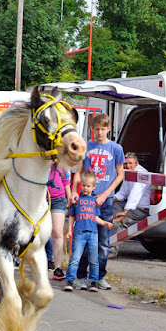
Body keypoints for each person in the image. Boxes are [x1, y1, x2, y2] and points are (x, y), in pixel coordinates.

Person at [70, 113, 125, 290]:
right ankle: (80, 276)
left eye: (103, 129)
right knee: (84, 237)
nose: (99, 132)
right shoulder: (87, 147)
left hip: (105, 201)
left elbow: (120, 175)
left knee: (102, 240)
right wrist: (73, 191)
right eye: (96, 129)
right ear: (92, 129)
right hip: (86, 199)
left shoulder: (116, 149)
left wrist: (106, 194)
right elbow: (79, 171)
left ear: (108, 129)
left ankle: (99, 276)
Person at [64, 172, 113, 291]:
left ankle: (94, 282)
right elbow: (71, 216)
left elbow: (95, 217)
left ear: (94, 187)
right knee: (75, 257)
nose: (86, 188)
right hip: (79, 233)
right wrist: (69, 230)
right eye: (84, 185)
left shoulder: (95, 201)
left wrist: (104, 223)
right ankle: (70, 281)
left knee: (94, 259)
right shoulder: (77, 200)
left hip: (93, 234)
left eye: (88, 186)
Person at [109, 152, 151, 258]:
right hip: (129, 205)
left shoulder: (141, 174)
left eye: (130, 163)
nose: (128, 166)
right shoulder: (128, 173)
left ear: (137, 163)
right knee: (110, 210)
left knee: (120, 221)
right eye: (126, 163)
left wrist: (125, 211)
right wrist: (107, 198)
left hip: (140, 208)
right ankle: (103, 246)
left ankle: (111, 251)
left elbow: (134, 195)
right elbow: (122, 193)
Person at [45, 162, 71, 280]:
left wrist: (69, 196)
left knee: (57, 232)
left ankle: (58, 268)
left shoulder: (61, 161)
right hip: (40, 198)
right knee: (38, 231)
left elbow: (66, 180)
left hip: (58, 198)